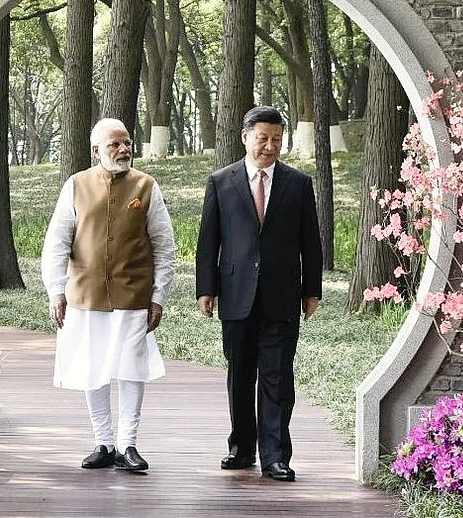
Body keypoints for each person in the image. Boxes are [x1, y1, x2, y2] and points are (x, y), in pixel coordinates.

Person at [195, 105, 323, 483]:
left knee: (278, 378)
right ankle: (241, 447)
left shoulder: (298, 183)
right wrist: (207, 289)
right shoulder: (221, 181)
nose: (269, 147)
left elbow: (310, 243)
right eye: (263, 138)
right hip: (235, 295)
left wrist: (312, 290)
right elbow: (209, 241)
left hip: (282, 295)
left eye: (277, 140)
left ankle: (275, 455)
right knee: (240, 374)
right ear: (245, 136)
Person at [41, 118, 177, 473]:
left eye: (127, 142)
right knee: (92, 367)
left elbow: (165, 247)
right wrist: (56, 290)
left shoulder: (147, 186)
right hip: (84, 296)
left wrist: (159, 296)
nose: (123, 149)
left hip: (133, 295)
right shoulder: (76, 185)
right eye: (114, 144)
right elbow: (56, 243)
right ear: (96, 150)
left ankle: (128, 445)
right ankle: (103, 442)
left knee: (132, 369)